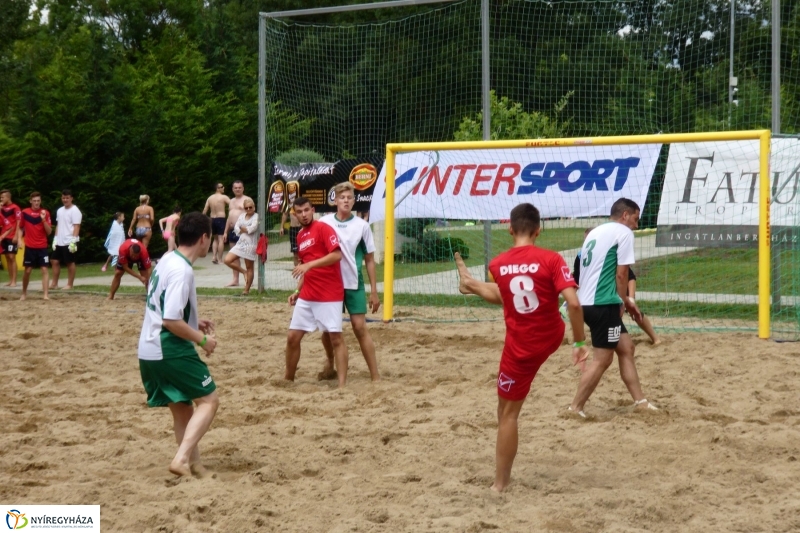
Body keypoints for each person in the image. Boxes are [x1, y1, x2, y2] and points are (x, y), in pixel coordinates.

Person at [453, 203, 589, 493]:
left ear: (509, 229)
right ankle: (469, 284)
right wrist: (578, 341)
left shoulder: (497, 264)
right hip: (551, 333)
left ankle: (500, 485)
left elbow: (509, 293)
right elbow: (571, 303)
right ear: (539, 230)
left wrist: (474, 284)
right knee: (503, 406)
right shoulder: (551, 259)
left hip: (523, 346)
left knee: (507, 415)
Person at [138, 212, 219, 478]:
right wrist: (202, 339)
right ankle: (182, 459)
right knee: (209, 400)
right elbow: (171, 320)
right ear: (204, 238)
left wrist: (193, 321)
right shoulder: (182, 270)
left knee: (183, 410)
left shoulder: (167, 259)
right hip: (169, 348)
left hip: (148, 348)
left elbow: (164, 308)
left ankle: (195, 466)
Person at [568, 198, 658, 418]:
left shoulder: (596, 232)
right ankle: (575, 407)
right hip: (603, 303)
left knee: (626, 347)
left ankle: (641, 401)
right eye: (636, 219)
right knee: (603, 359)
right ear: (625, 215)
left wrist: (626, 302)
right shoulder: (623, 233)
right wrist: (621, 300)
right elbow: (621, 274)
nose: (637, 225)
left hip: (587, 302)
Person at [319, 182, 381, 382]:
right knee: (329, 330)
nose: (346, 200)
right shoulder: (325, 222)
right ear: (335, 200)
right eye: (342, 197)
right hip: (330, 283)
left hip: (353, 282)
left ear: (354, 201)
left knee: (359, 327)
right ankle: (330, 362)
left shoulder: (362, 226)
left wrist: (374, 291)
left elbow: (370, 260)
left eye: (349, 197)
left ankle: (375, 375)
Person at [285, 197, 348, 387]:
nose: (303, 215)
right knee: (292, 337)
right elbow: (305, 268)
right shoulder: (300, 235)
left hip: (329, 293)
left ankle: (342, 386)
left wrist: (309, 264)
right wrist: (297, 290)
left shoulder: (323, 228)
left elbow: (337, 255)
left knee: (335, 337)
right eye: (299, 212)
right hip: (308, 294)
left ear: (313, 210)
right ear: (294, 214)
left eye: (306, 210)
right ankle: (288, 380)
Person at [571, 230, 660, 345]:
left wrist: (631, 298)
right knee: (584, 311)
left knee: (633, 310)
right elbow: (577, 279)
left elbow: (630, 276)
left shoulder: (609, 253)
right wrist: (570, 297)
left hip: (616, 286)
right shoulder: (581, 256)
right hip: (597, 293)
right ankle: (580, 340)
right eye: (586, 240)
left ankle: (655, 338)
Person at [19, 192, 52, 301]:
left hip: (42, 246)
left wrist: (43, 219)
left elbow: (49, 232)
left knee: (44, 269)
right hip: (30, 246)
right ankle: (24, 293)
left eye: (38, 201)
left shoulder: (45, 213)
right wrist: (19, 239)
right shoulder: (25, 213)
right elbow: (21, 227)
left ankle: (45, 295)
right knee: (27, 271)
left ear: (40, 201)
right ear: (30, 201)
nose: (36, 203)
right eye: (35, 201)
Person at [223, 198, 258, 295]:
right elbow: (236, 227)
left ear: (254, 207)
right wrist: (243, 229)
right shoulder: (242, 216)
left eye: (250, 207)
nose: (248, 209)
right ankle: (243, 272)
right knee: (227, 260)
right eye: (246, 208)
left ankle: (246, 290)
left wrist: (244, 229)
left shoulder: (256, 216)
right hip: (240, 243)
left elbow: (253, 228)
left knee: (249, 267)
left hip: (250, 244)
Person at [50, 189, 82, 291]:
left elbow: (77, 226)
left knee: (69, 262)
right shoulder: (60, 210)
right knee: (54, 260)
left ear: (71, 198)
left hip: (69, 240)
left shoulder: (75, 211)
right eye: (63, 198)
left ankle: (70, 284)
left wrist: (73, 240)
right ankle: (54, 283)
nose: (65, 200)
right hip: (60, 240)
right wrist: (55, 238)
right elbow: (58, 225)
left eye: (67, 198)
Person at [223, 181, 253, 287]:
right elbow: (229, 217)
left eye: (239, 187)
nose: (238, 189)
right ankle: (235, 279)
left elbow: (252, 215)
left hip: (243, 231)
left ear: (243, 188)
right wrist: (225, 232)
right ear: (232, 189)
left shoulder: (247, 200)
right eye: (235, 188)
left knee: (246, 256)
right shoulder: (231, 201)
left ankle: (249, 278)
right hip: (232, 230)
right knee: (234, 257)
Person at [202, 182, 230, 264]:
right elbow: (232, 204)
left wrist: (202, 220)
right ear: (218, 188)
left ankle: (214, 256)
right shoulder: (223, 197)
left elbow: (205, 210)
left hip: (212, 219)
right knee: (221, 239)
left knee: (215, 239)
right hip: (220, 219)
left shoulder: (210, 198)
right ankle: (220, 259)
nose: (223, 188)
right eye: (222, 187)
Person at [1, 189, 22, 287]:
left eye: (3, 197)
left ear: (8, 197)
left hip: (12, 235)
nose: (1, 199)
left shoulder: (15, 207)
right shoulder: (1, 208)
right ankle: (10, 280)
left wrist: (16, 236)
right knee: (7, 257)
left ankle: (14, 280)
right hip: (3, 235)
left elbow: (18, 222)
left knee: (12, 257)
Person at [279, 182, 301, 266]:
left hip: (303, 228)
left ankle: (306, 273)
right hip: (293, 229)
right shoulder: (289, 201)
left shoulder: (302, 199)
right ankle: (298, 274)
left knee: (304, 252)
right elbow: (285, 214)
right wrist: (281, 227)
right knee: (295, 253)